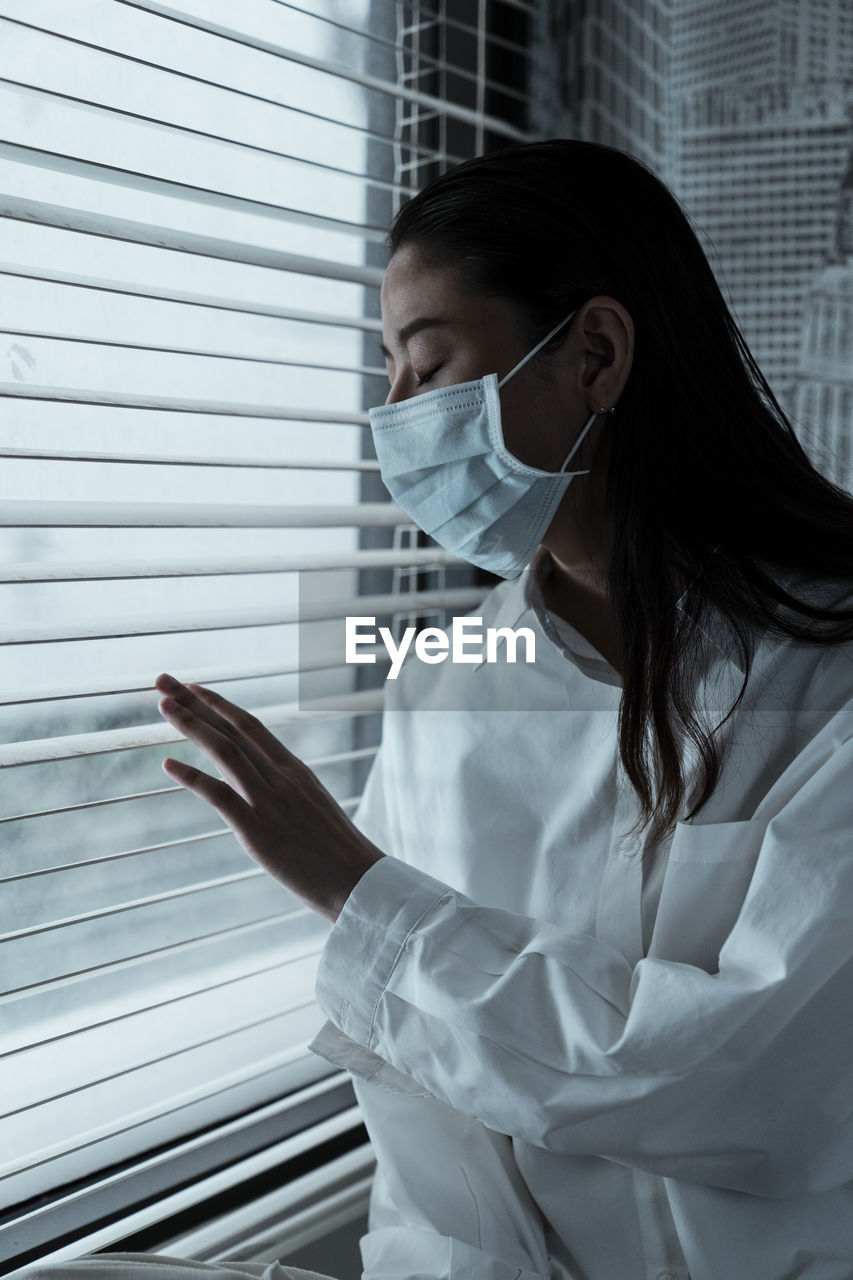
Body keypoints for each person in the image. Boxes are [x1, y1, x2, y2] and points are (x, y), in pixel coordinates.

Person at [27, 139, 853, 1279]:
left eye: (426, 363)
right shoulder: (445, 687)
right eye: (386, 369)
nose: (393, 416)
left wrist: (360, 889)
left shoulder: (830, 665)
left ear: (597, 354)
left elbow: (746, 1080)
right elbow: (430, 1128)